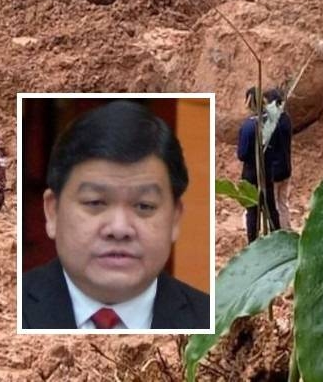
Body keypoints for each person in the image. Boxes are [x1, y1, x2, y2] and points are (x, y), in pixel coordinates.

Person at [22, 101, 210, 330]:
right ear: (52, 212)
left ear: (175, 218)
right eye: (95, 202)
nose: (119, 229)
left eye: (144, 206)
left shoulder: (213, 321)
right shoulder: (6, 310)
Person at [237, 87, 283, 241]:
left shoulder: (248, 126)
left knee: (252, 209)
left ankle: (253, 242)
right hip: (268, 170)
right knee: (271, 207)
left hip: (251, 172)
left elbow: (242, 154)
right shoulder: (271, 122)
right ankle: (277, 237)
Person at [263, 88, 293, 230]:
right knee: (283, 203)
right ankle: (286, 229)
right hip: (286, 168)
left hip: (274, 171)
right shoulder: (286, 118)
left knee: (273, 204)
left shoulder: (271, 124)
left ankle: (276, 232)